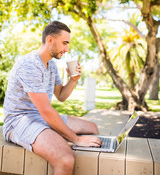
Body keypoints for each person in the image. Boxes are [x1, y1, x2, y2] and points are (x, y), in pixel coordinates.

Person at [3, 21, 101, 175]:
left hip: (39, 118)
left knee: (92, 128)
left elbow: (61, 96)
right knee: (66, 158)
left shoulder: (52, 65)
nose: (67, 49)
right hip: (19, 121)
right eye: (64, 43)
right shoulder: (29, 64)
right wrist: (76, 139)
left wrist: (73, 80)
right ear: (50, 40)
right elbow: (46, 111)